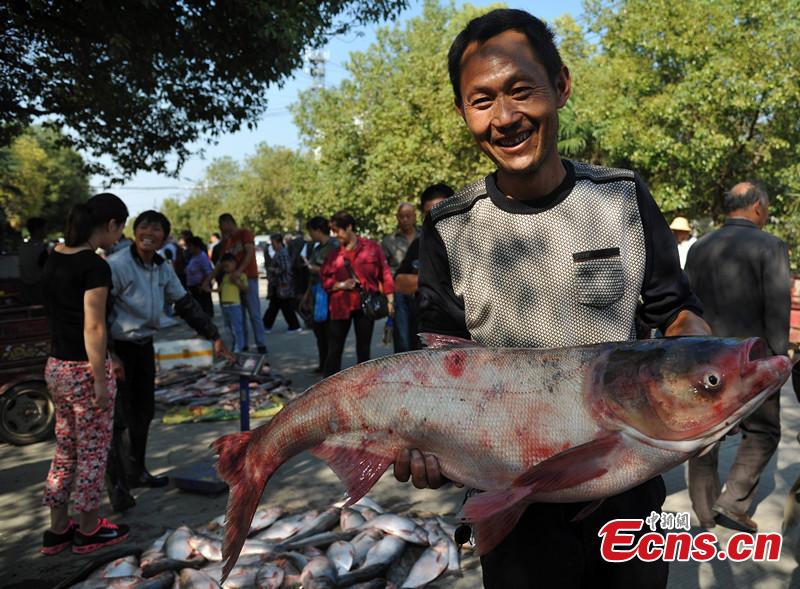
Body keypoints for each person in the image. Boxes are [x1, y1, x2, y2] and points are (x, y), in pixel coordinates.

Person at [392, 10, 710, 589]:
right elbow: (439, 364)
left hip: (627, 493)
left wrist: (700, 361)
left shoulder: (620, 198)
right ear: (463, 111)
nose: (505, 117)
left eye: (521, 90)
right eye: (482, 100)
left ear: (560, 86)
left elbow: (673, 311)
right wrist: (423, 447)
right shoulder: (447, 228)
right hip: (513, 510)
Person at [106, 210, 232, 511]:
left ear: (165, 236)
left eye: (157, 229)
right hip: (118, 349)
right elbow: (99, 312)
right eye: (144, 227)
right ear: (135, 232)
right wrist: (108, 353)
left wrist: (212, 334)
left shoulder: (162, 268)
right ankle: (119, 489)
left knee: (144, 412)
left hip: (144, 346)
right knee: (118, 420)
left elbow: (185, 303)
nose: (150, 233)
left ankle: (138, 471)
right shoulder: (117, 265)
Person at [685, 181, 791, 533]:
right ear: (758, 206)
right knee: (762, 431)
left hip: (704, 360)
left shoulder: (700, 247)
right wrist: (778, 360)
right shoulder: (771, 245)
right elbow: (777, 309)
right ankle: (732, 502)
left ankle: (704, 512)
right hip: (752, 361)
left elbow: (689, 305)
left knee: (706, 437)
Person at [40, 193, 130, 555]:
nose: (119, 238)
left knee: (66, 449)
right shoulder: (94, 266)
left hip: (56, 367)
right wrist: (100, 380)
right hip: (82, 369)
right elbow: (93, 328)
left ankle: (58, 528)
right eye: (120, 229)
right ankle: (90, 527)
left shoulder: (54, 257)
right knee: (93, 451)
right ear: (110, 225)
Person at [321, 211, 395, 376]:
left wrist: (390, 300)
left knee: (363, 348)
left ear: (349, 227)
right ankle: (327, 388)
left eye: (338, 230)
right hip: (340, 306)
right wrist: (341, 284)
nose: (336, 235)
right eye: (333, 232)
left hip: (365, 305)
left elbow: (385, 274)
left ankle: (363, 385)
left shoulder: (372, 248)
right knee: (334, 349)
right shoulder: (333, 254)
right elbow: (324, 281)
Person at [395, 184, 455, 350]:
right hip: (429, 333)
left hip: (470, 337)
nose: (438, 219)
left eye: (444, 211)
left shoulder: (475, 241)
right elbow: (400, 282)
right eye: (430, 214)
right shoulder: (420, 244)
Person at [204, 214, 267, 353]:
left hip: (248, 277)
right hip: (232, 281)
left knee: (254, 312)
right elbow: (221, 262)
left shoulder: (244, 233)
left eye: (221, 224)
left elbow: (249, 252)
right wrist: (209, 279)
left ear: (228, 222)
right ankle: (242, 344)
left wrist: (239, 271)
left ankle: (261, 344)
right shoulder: (228, 241)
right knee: (240, 315)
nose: (220, 228)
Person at [382, 203, 419, 352]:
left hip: (422, 290)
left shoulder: (425, 236)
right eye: (402, 216)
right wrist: (389, 299)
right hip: (400, 294)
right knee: (402, 339)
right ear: (397, 218)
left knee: (421, 337)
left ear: (415, 217)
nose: (405, 219)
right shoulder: (388, 241)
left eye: (409, 215)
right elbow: (384, 271)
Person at [303, 217, 339, 373]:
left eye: (311, 231)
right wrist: (307, 294)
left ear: (317, 230)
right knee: (319, 332)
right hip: (317, 293)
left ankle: (330, 367)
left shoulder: (334, 246)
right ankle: (323, 363)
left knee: (330, 333)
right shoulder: (318, 248)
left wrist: (317, 270)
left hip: (331, 294)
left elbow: (337, 271)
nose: (310, 235)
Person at [263, 233, 302, 334]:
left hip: (283, 284)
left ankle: (293, 325)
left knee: (283, 306)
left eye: (273, 243)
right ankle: (267, 324)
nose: (272, 246)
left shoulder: (282, 253)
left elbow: (285, 268)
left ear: (278, 242)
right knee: (277, 306)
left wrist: (273, 270)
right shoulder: (280, 253)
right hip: (279, 284)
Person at [219, 253, 248, 352]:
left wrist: (237, 282)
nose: (225, 269)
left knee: (237, 327)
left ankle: (239, 346)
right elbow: (220, 289)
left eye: (227, 266)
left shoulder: (241, 275)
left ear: (234, 263)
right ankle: (236, 344)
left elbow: (246, 289)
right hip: (225, 305)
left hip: (234, 305)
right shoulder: (225, 276)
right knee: (228, 328)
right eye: (224, 267)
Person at [18, 217, 48, 305]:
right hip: (39, 290)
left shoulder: (23, 247)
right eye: (45, 229)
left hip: (25, 290)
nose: (47, 231)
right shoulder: (40, 248)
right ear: (38, 230)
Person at [185, 236, 214, 317]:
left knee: (204, 309)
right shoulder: (193, 257)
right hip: (193, 287)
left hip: (200, 287)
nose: (188, 248)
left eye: (190, 246)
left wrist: (203, 284)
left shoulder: (202, 257)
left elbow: (208, 272)